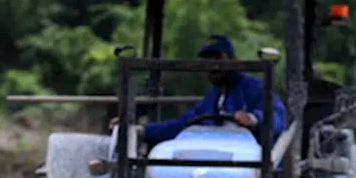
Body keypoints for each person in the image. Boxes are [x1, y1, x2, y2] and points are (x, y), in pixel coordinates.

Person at [111, 35, 288, 146]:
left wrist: (253, 119)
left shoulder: (254, 87)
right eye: (207, 60)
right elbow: (182, 124)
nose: (213, 65)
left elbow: (278, 118)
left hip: (248, 165)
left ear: (234, 59)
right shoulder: (212, 97)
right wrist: (141, 130)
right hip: (211, 159)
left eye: (218, 58)